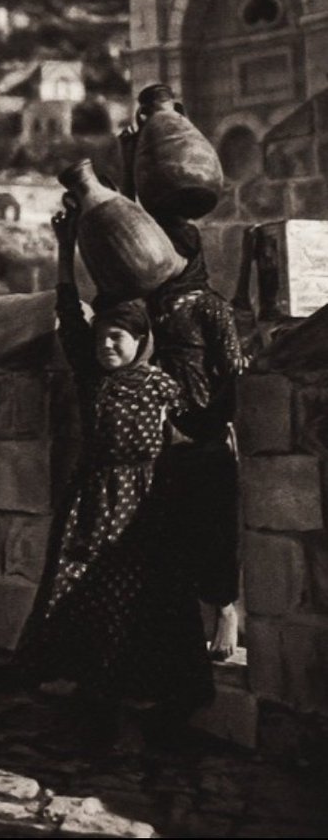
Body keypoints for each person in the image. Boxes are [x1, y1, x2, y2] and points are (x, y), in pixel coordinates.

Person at [30, 206, 213, 746]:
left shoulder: (164, 384)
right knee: (81, 601)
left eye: (119, 339)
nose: (108, 345)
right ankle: (95, 707)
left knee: (144, 608)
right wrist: (65, 251)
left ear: (139, 342)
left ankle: (151, 709)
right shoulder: (92, 379)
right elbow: (69, 312)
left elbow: (151, 274)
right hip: (95, 504)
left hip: (148, 509)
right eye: (103, 337)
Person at [147, 221, 244, 660]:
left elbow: (232, 372)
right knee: (169, 536)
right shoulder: (152, 304)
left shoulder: (209, 306)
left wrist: (208, 423)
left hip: (202, 433)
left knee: (213, 529)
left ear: (186, 253)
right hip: (158, 433)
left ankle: (225, 610)